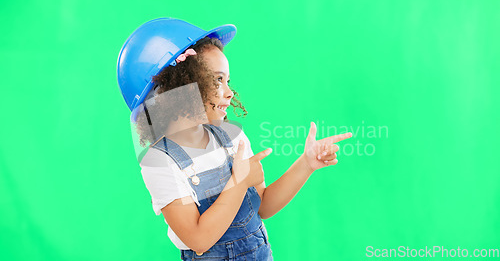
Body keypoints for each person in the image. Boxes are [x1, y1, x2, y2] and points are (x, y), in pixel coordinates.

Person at [117, 18, 352, 261]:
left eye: (227, 80)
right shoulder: (160, 162)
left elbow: (263, 207)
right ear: (182, 85)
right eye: (217, 80)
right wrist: (239, 182)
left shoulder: (232, 138)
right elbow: (198, 240)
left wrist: (306, 164)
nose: (229, 92)